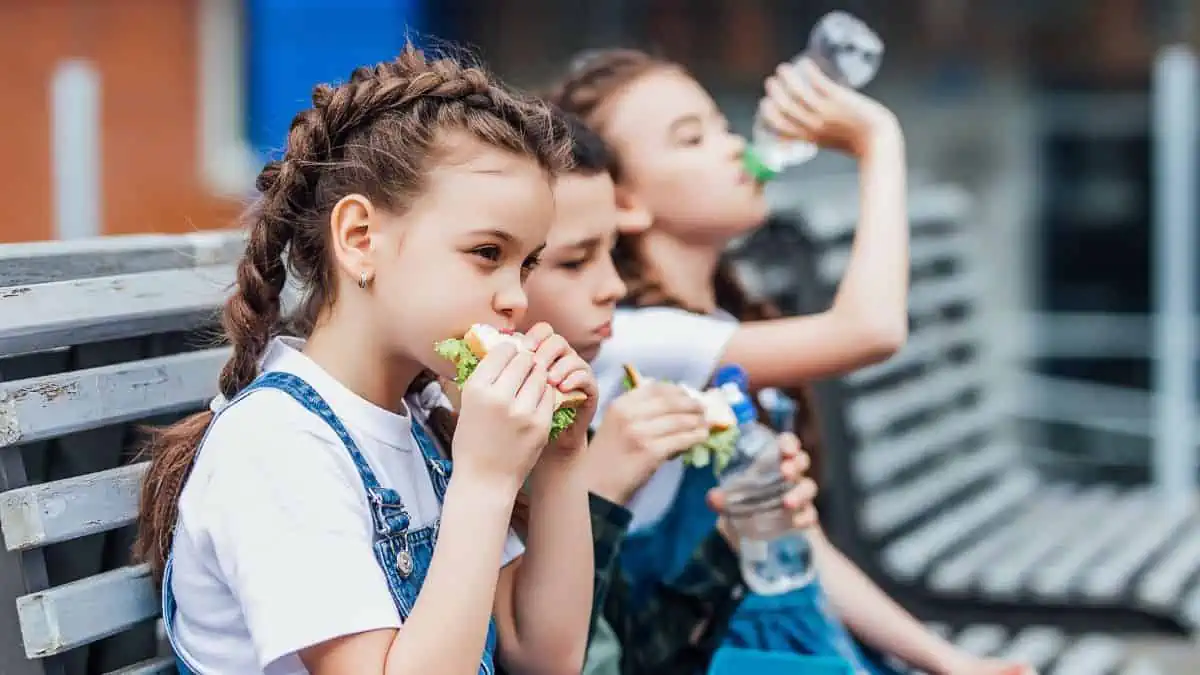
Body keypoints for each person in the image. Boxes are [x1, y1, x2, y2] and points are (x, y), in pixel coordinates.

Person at [547, 49, 1034, 675]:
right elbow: (873, 330)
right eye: (691, 138)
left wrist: (949, 662)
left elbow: (797, 542)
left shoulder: (712, 329)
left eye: (724, 127)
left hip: (785, 631)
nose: (731, 146)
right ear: (625, 203)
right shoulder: (637, 341)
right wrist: (877, 143)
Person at [134, 47, 596, 675]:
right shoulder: (277, 446)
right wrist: (484, 481)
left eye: (528, 264)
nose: (516, 298)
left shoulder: (423, 415)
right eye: (487, 252)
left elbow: (544, 656)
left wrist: (563, 461)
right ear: (359, 239)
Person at [518, 112, 818, 675]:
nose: (612, 287)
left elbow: (633, 659)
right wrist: (593, 493)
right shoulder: (471, 450)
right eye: (575, 261)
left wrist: (732, 538)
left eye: (610, 252)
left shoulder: (558, 425)